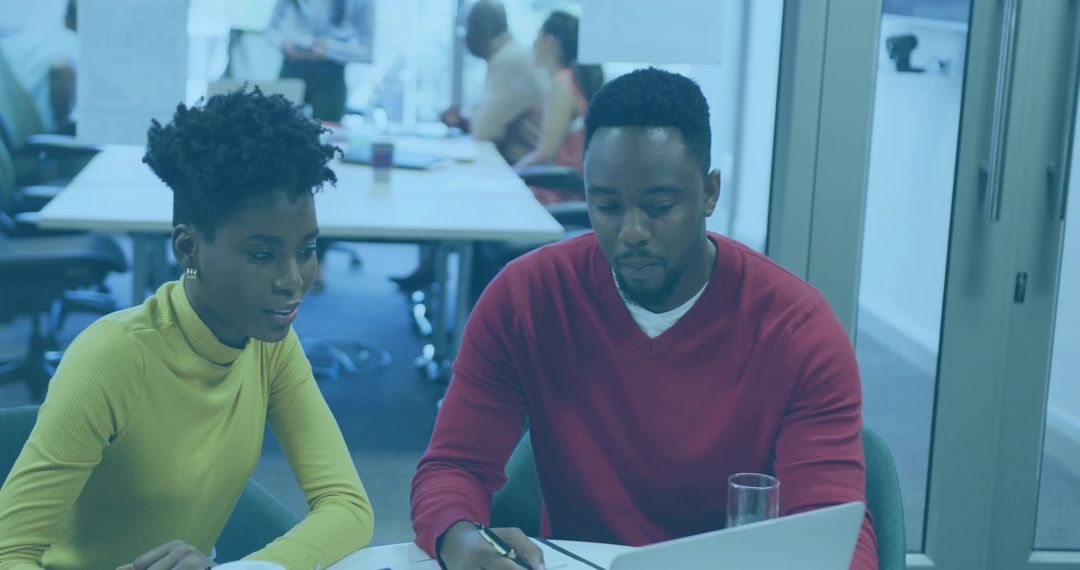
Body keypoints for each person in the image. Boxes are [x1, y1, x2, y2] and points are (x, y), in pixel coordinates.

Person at [410, 68, 879, 570]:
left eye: (659, 206)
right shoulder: (526, 299)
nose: (631, 231)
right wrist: (459, 541)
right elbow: (453, 466)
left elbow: (835, 533)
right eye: (606, 205)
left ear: (710, 192)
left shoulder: (796, 331)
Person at [0, 88, 374, 569]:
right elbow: (9, 552)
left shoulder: (270, 346)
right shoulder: (113, 358)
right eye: (262, 255)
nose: (293, 280)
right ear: (189, 249)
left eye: (305, 250)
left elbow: (348, 507)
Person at [514, 11, 603, 205]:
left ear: (550, 42)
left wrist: (511, 173)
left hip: (559, 192)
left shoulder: (563, 85)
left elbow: (546, 153)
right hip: (570, 188)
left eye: (537, 37)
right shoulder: (575, 80)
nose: (532, 45)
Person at [440, 0, 546, 165]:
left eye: (468, 28)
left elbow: (484, 130)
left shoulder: (510, 60)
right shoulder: (508, 55)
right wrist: (463, 120)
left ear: (479, 29)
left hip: (527, 169)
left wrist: (469, 121)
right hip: (520, 164)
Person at [268, 0, 374, 122]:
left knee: (328, 132)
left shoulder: (361, 2)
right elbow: (270, 30)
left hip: (331, 74)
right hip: (292, 68)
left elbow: (367, 51)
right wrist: (283, 44)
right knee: (278, 124)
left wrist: (329, 48)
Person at [0, 0, 78, 134]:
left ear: (65, 19)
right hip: (26, 139)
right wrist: (64, 128)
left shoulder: (30, 38)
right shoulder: (74, 44)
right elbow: (61, 70)